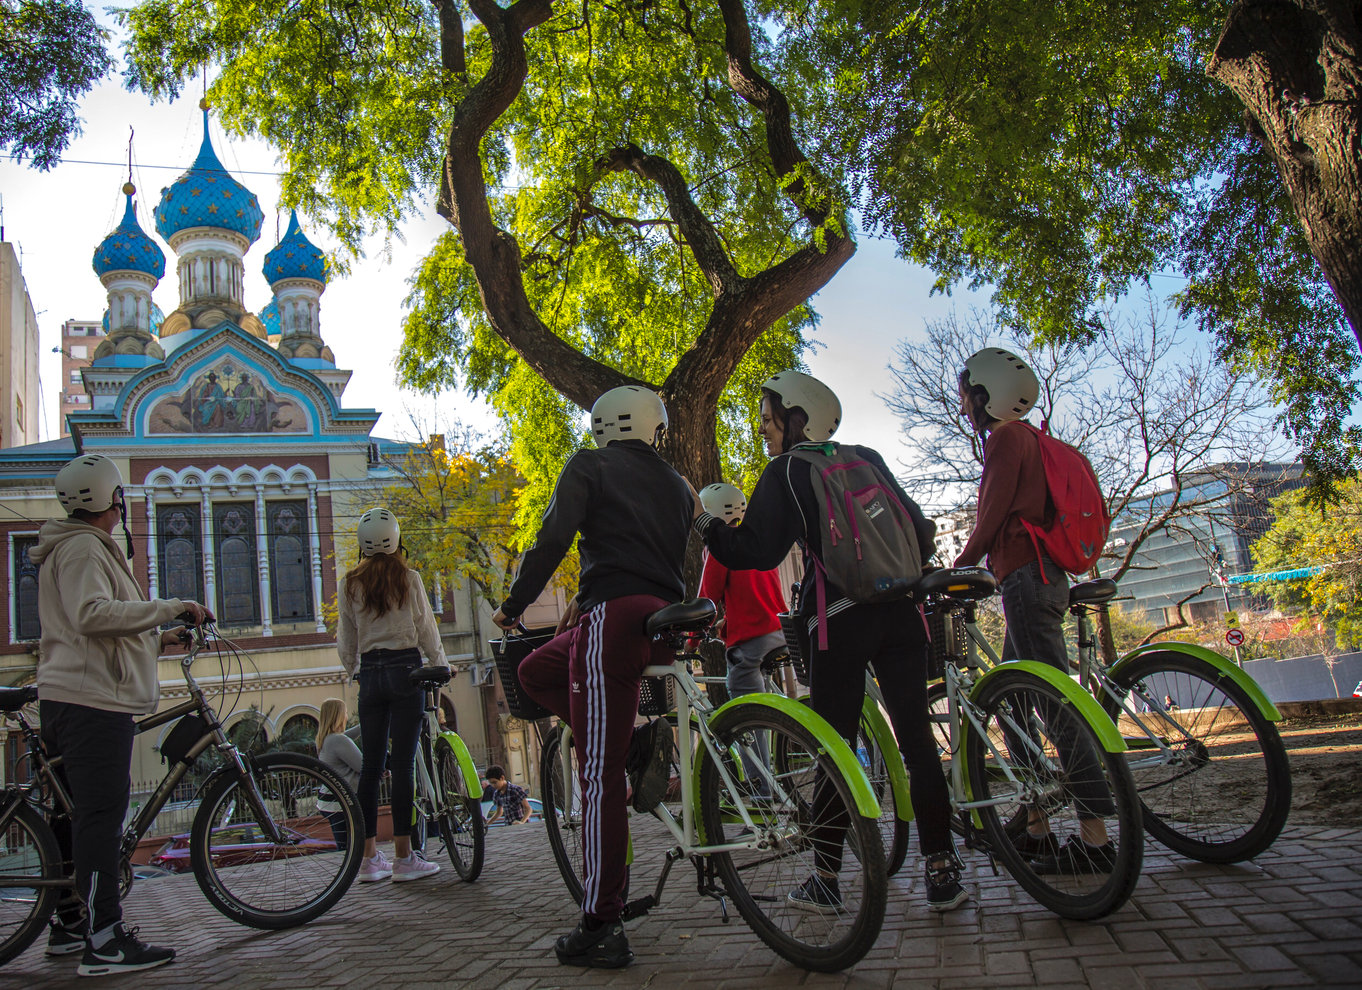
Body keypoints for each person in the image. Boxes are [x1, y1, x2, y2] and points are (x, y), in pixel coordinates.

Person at [691, 371, 967, 913]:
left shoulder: (787, 471)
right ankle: (941, 872)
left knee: (833, 748)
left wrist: (706, 524)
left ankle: (825, 878)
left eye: (770, 417)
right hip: (904, 616)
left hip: (840, 619)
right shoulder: (865, 457)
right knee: (916, 741)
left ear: (797, 418)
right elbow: (920, 527)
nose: (764, 428)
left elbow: (757, 550)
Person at [491, 385, 691, 969]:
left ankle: (602, 921)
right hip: (657, 619)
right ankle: (629, 740)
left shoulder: (590, 465)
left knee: (598, 775)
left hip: (615, 623)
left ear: (603, 427)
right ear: (654, 429)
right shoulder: (678, 485)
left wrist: (515, 603)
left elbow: (553, 538)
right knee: (535, 670)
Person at [32, 453, 213, 976]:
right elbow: (93, 617)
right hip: (91, 703)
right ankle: (106, 941)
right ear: (110, 498)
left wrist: (160, 638)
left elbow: (94, 629)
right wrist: (170, 606)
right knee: (99, 820)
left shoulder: (75, 547)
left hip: (72, 691)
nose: (121, 504)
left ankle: (70, 927)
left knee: (71, 817)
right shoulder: (87, 547)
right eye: (119, 496)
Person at [954, 347, 1117, 874]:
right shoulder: (1033, 440)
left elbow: (993, 514)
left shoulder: (1005, 439)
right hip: (1043, 579)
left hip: (1026, 580)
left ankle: (1095, 838)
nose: (963, 407)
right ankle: (1037, 825)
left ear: (986, 395)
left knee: (1054, 705)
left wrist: (957, 569)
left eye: (966, 396)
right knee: (1014, 705)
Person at [337, 507, 449, 884]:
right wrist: (440, 662)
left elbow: (346, 636)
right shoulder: (410, 578)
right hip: (406, 671)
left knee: (370, 768)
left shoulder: (350, 582)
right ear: (397, 538)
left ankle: (369, 859)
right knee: (402, 766)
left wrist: (354, 669)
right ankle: (403, 857)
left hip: (370, 673)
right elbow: (425, 626)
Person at [696, 482, 786, 775]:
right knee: (771, 703)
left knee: (745, 716)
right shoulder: (754, 539)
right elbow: (754, 593)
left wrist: (692, 635)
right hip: (778, 632)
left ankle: (761, 789)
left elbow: (707, 599)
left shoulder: (719, 547)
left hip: (750, 641)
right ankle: (786, 756)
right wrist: (728, 621)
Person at [315, 698, 363, 851]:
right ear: (339, 715)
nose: (347, 716)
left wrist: (368, 723)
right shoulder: (337, 740)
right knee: (351, 848)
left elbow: (351, 735)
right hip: (341, 803)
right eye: (346, 712)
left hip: (328, 801)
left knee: (345, 848)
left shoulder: (325, 739)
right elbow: (363, 766)